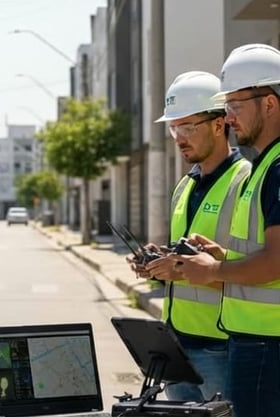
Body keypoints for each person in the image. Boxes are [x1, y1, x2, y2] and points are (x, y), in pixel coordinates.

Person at [133, 71, 250, 402]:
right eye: (173, 129)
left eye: (187, 127)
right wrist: (158, 263)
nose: (178, 138)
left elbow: (259, 274)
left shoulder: (247, 181)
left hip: (222, 347)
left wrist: (182, 270)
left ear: (219, 123)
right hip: (177, 346)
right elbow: (183, 257)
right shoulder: (185, 185)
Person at [177, 44, 280, 417]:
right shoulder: (265, 166)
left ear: (269, 104)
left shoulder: (277, 167)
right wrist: (224, 258)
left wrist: (215, 271)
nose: (229, 116)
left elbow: (276, 262)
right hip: (254, 342)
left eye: (236, 104)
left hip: (269, 346)